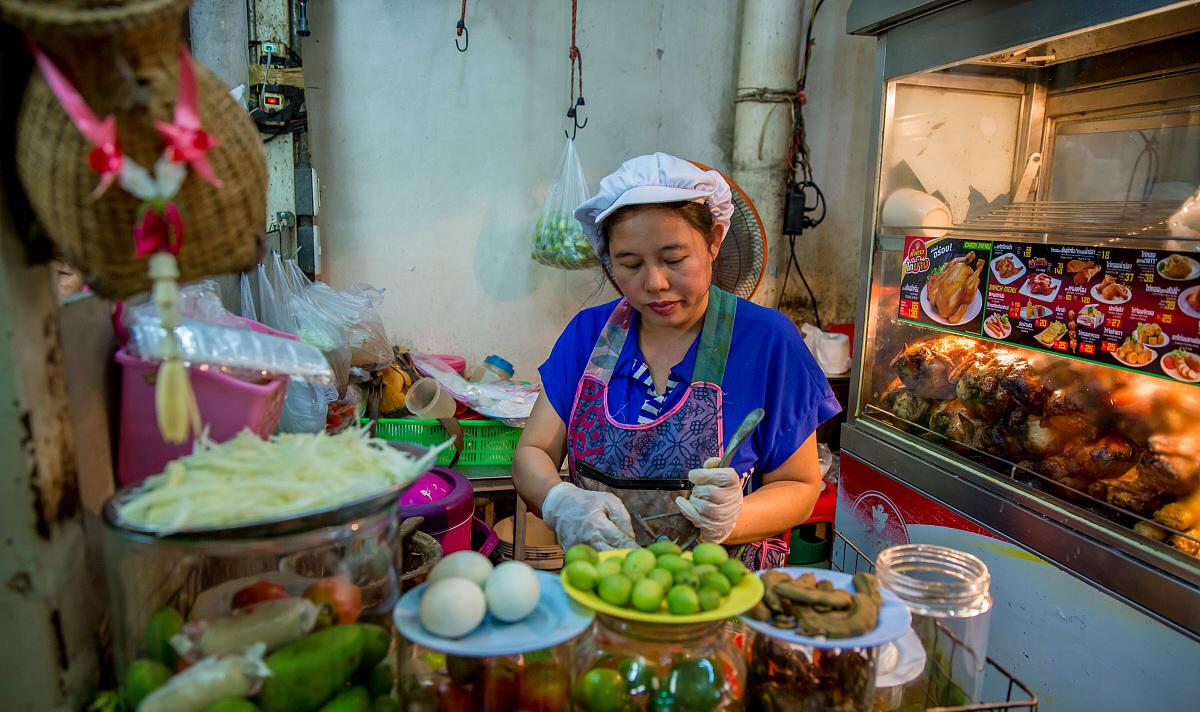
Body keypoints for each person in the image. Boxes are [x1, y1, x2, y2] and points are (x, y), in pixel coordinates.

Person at [513, 153, 840, 569]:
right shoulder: (588, 335)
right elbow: (533, 451)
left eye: (673, 259)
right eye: (630, 264)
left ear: (714, 240)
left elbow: (799, 484)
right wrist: (559, 500)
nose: (655, 283)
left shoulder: (767, 341)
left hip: (723, 597)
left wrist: (733, 517)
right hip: (605, 590)